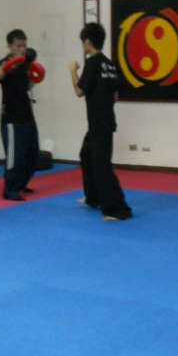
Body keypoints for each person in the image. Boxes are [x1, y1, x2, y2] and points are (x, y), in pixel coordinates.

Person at [68, 23, 132, 221]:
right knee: (86, 155)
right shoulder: (110, 64)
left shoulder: (93, 63)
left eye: (83, 42)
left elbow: (79, 91)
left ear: (88, 42)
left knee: (102, 167)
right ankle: (93, 197)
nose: (83, 46)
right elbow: (115, 96)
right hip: (104, 120)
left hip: (98, 124)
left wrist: (72, 71)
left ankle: (118, 209)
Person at [0, 29, 42, 201]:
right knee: (15, 157)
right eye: (18, 46)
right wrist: (9, 64)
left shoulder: (25, 64)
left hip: (27, 114)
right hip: (11, 118)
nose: (22, 49)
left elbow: (26, 87)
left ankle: (21, 184)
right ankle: (10, 189)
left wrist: (35, 78)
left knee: (33, 154)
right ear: (9, 45)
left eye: (24, 46)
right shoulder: (3, 63)